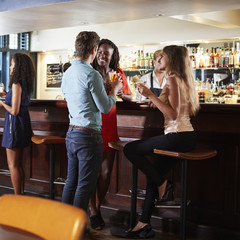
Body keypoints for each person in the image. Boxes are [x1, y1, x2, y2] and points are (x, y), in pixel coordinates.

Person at [119, 45, 200, 238]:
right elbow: (173, 108)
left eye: (162, 56)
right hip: (185, 137)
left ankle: (163, 182)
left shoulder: (172, 79)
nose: (159, 59)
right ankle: (144, 224)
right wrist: (153, 100)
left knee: (131, 149)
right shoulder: (181, 79)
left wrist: (150, 95)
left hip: (177, 136)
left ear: (171, 59)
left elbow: (173, 114)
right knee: (152, 176)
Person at [61, 31, 122, 213]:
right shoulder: (91, 74)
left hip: (71, 133)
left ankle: (63, 224)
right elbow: (104, 107)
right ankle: (77, 228)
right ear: (94, 50)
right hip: (88, 135)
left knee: (71, 182)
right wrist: (114, 90)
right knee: (84, 185)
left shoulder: (68, 72)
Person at [89, 39, 132, 230]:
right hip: (93, 125)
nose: (102, 55)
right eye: (99, 52)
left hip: (110, 126)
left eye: (106, 53)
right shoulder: (90, 73)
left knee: (105, 172)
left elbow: (129, 96)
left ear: (113, 55)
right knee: (91, 171)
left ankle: (96, 206)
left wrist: (120, 92)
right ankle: (93, 212)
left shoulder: (118, 73)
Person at [0, 53, 34, 195]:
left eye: (12, 64)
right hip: (23, 124)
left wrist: (1, 103)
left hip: (14, 125)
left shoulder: (16, 83)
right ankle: (21, 196)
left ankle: (18, 198)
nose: (11, 67)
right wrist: (6, 95)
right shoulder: (24, 83)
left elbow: (14, 110)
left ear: (18, 66)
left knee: (13, 165)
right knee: (18, 164)